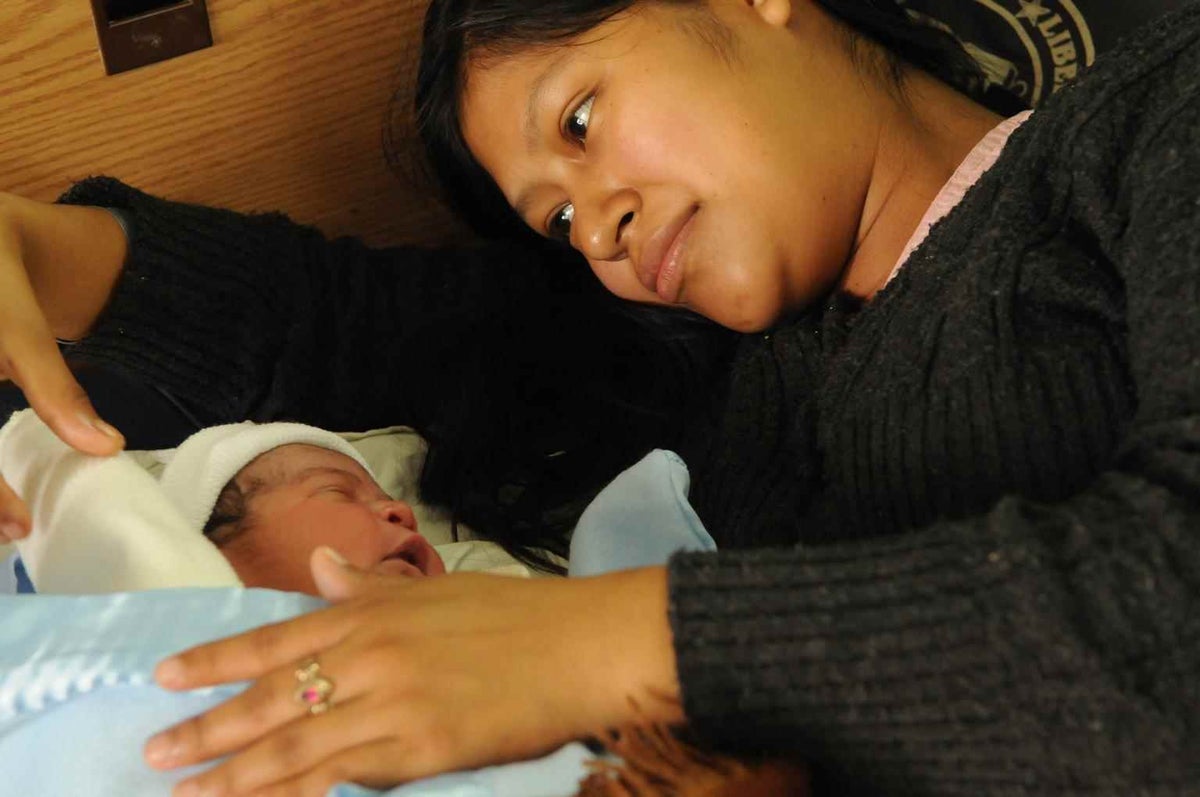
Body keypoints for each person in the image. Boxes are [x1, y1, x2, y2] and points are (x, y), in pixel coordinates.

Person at [0, 0, 1197, 795]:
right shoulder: (688, 373)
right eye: (558, 221)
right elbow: (347, 317)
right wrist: (35, 253)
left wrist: (597, 643)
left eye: (579, 119)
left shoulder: (1154, 119)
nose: (599, 226)